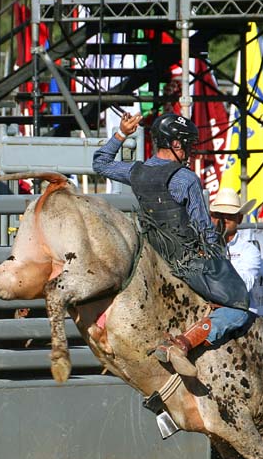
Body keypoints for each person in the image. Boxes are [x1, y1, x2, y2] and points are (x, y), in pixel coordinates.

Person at [93, 112, 251, 376]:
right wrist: (220, 264)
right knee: (239, 306)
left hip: (151, 253)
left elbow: (101, 163)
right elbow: (204, 231)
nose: (188, 150)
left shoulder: (137, 171)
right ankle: (183, 343)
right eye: (186, 144)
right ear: (176, 144)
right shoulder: (186, 179)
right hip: (186, 260)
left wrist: (122, 133)